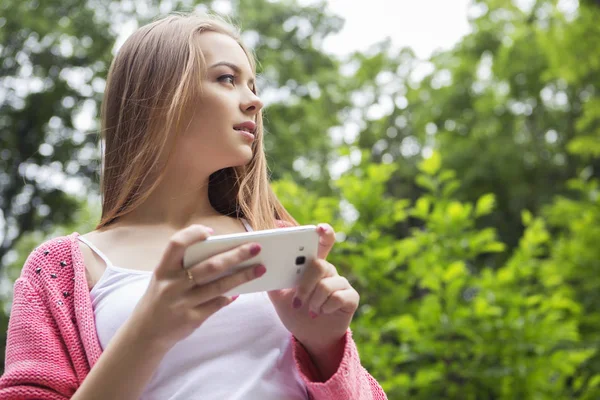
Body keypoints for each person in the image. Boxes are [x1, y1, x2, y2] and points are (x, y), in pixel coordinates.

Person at [0, 12, 387, 400]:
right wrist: (149, 332)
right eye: (226, 79)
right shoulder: (58, 271)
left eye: (252, 84)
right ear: (157, 97)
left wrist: (325, 347)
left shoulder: (281, 242)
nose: (255, 100)